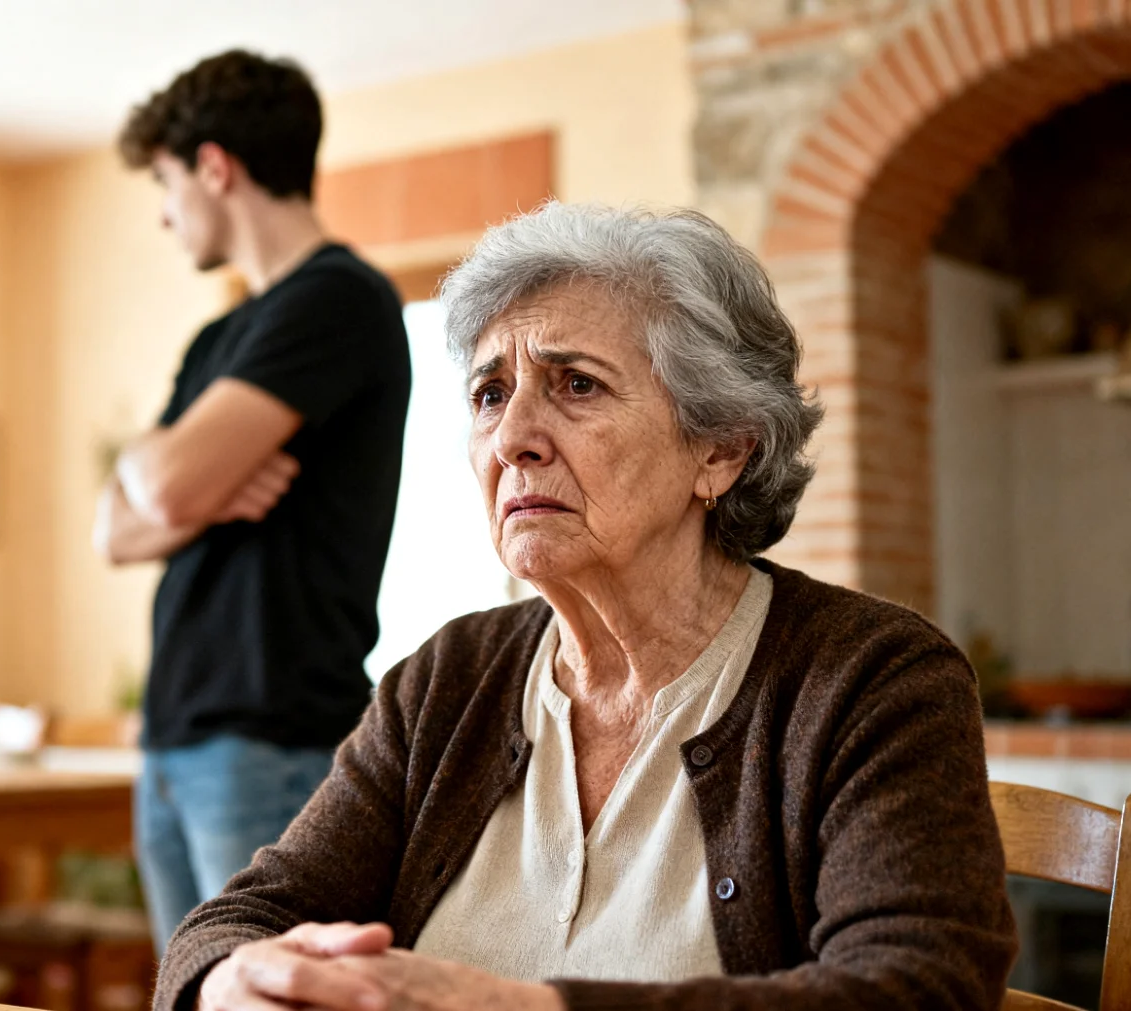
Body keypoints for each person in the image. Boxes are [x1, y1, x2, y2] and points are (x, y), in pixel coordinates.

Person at [156, 203, 1018, 1011]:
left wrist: (523, 1007)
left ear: (720, 449)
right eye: (491, 394)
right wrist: (235, 981)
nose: (512, 438)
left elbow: (919, 987)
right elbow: (229, 924)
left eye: (576, 385)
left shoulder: (874, 678)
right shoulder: (448, 678)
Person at [97, 49, 411, 951]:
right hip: (174, 738)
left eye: (165, 181)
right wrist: (178, 474)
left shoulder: (338, 300)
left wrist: (169, 478)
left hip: (270, 735)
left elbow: (157, 489)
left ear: (214, 166)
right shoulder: (216, 338)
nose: (164, 214)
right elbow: (112, 533)